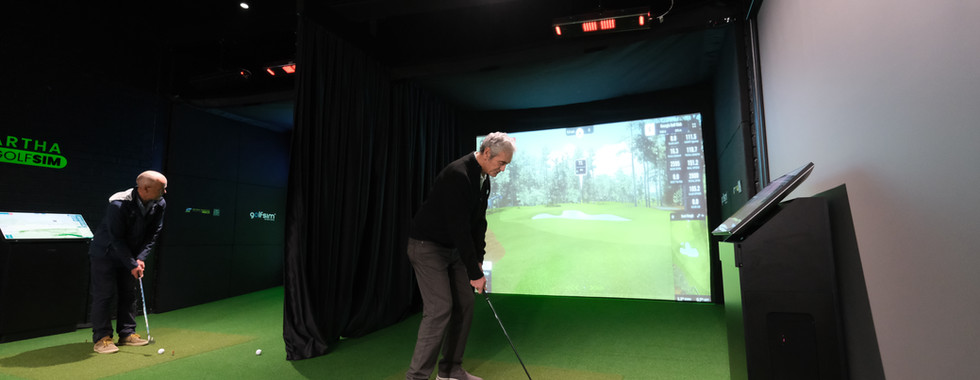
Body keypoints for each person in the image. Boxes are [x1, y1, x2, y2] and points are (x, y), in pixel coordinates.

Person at [406, 132, 516, 380]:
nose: (503, 169)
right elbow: (459, 228)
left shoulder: (483, 178)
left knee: (465, 304)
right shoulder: (458, 174)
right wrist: (475, 274)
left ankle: (450, 370)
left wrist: (478, 259)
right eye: (502, 163)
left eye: (507, 164)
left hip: (453, 248)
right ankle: (416, 377)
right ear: (487, 152)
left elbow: (478, 223)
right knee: (440, 309)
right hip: (427, 246)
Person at [89, 170, 168, 354]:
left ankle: (126, 334)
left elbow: (153, 233)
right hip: (105, 253)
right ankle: (102, 338)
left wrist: (140, 258)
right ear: (145, 188)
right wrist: (132, 263)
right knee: (104, 294)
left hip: (130, 254)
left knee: (128, 293)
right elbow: (116, 239)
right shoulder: (119, 204)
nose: (164, 192)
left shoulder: (160, 203)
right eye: (161, 188)